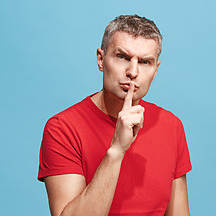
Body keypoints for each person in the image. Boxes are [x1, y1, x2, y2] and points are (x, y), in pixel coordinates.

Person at [38, 15, 192, 216]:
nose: (133, 72)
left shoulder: (171, 126)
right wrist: (117, 150)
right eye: (123, 57)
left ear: (155, 70)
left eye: (145, 62)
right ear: (101, 59)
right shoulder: (62, 128)